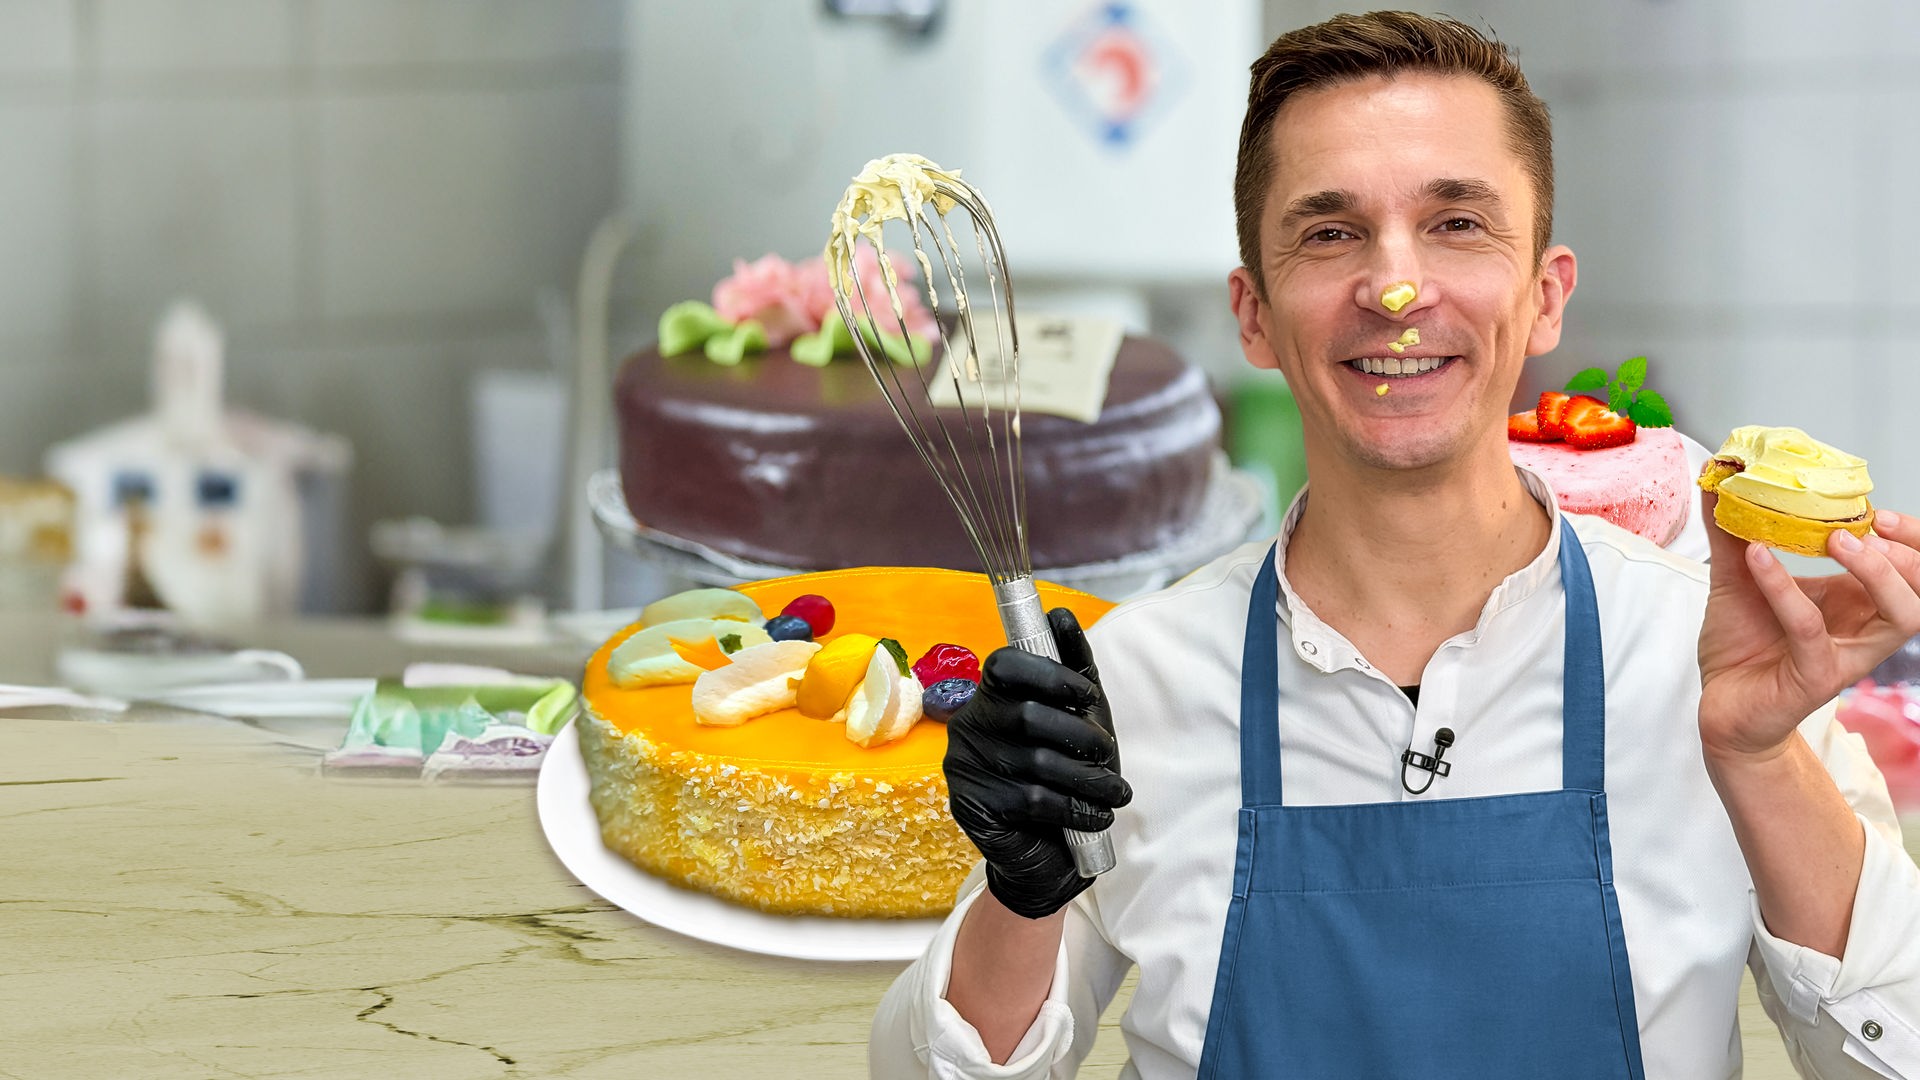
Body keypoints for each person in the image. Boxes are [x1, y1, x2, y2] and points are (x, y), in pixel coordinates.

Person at [870, 11, 1920, 1079]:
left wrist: (1757, 757)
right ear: (1255, 316)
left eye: (1458, 222)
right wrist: (1022, 892)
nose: (1395, 288)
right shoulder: (1133, 682)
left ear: (1545, 294)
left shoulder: (1705, 663)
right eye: (1330, 233)